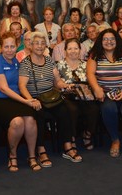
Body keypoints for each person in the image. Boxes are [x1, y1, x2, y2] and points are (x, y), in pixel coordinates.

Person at [19, 32, 82, 164]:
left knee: (67, 110)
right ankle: (41, 150)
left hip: (51, 96)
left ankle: (67, 146)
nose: (40, 46)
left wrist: (65, 85)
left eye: (43, 44)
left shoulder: (48, 60)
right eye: (37, 43)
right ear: (30, 45)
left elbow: (57, 81)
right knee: (39, 114)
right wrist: (31, 100)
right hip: (35, 97)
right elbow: (22, 86)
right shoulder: (25, 63)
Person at [0, 32, 39, 172]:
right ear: (1, 48)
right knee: (17, 122)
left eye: (12, 46)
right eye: (6, 47)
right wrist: (26, 101)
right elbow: (3, 88)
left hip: (16, 99)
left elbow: (21, 84)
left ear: (17, 46)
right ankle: (13, 156)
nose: (9, 50)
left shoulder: (17, 62)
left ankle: (32, 156)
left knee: (30, 119)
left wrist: (30, 98)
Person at [87, 28, 122, 157]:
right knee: (109, 109)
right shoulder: (95, 55)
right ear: (101, 41)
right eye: (105, 39)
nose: (109, 42)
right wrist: (97, 89)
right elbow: (90, 73)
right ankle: (115, 140)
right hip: (106, 93)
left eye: (112, 39)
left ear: (117, 40)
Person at [56, 38, 100, 149]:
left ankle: (87, 134)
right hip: (67, 95)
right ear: (65, 50)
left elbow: (93, 79)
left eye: (76, 48)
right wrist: (64, 85)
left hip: (85, 95)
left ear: (80, 50)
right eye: (70, 48)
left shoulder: (86, 65)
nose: (73, 51)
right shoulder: (59, 65)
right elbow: (56, 82)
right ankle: (71, 137)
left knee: (94, 109)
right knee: (72, 110)